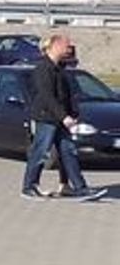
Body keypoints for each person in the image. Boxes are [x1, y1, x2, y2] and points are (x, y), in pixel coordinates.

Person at [21, 33, 102, 201]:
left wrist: (73, 113)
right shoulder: (43, 69)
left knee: (68, 151)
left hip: (61, 119)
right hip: (47, 118)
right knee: (41, 152)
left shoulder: (60, 68)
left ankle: (76, 188)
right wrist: (64, 117)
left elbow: (66, 94)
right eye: (66, 46)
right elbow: (47, 97)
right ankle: (29, 187)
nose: (69, 49)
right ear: (55, 46)